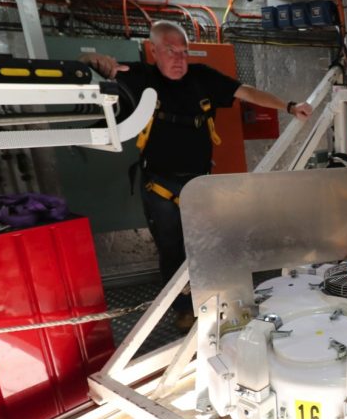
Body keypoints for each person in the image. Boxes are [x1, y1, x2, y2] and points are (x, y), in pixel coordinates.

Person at [81, 21, 312, 330]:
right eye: (170, 51)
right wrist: (92, 60)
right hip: (160, 186)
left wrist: (289, 105)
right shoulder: (138, 77)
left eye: (184, 52)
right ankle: (183, 309)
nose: (179, 59)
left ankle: (222, 301)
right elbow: (86, 71)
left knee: (211, 246)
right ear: (153, 51)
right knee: (171, 249)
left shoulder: (203, 78)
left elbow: (247, 92)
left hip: (200, 185)